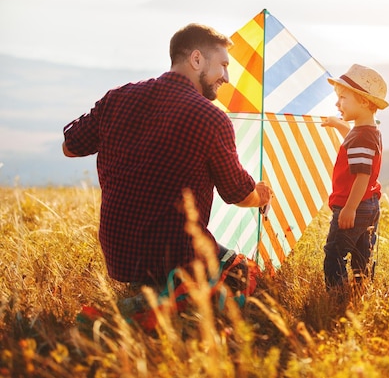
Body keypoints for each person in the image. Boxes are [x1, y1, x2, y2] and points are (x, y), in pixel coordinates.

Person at [62, 23, 272, 289]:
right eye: (223, 65)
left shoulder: (117, 98)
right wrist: (260, 196)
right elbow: (238, 194)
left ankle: (150, 300)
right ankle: (175, 299)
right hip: (177, 257)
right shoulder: (210, 118)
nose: (226, 77)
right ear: (197, 59)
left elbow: (70, 147)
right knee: (252, 281)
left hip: (120, 255)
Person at [321, 64, 389, 297]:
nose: (337, 104)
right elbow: (353, 141)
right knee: (362, 252)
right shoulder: (368, 130)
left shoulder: (361, 137)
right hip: (369, 203)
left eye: (343, 98)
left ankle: (337, 296)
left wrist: (349, 208)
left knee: (334, 252)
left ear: (364, 102)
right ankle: (362, 289)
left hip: (354, 204)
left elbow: (363, 175)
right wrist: (339, 124)